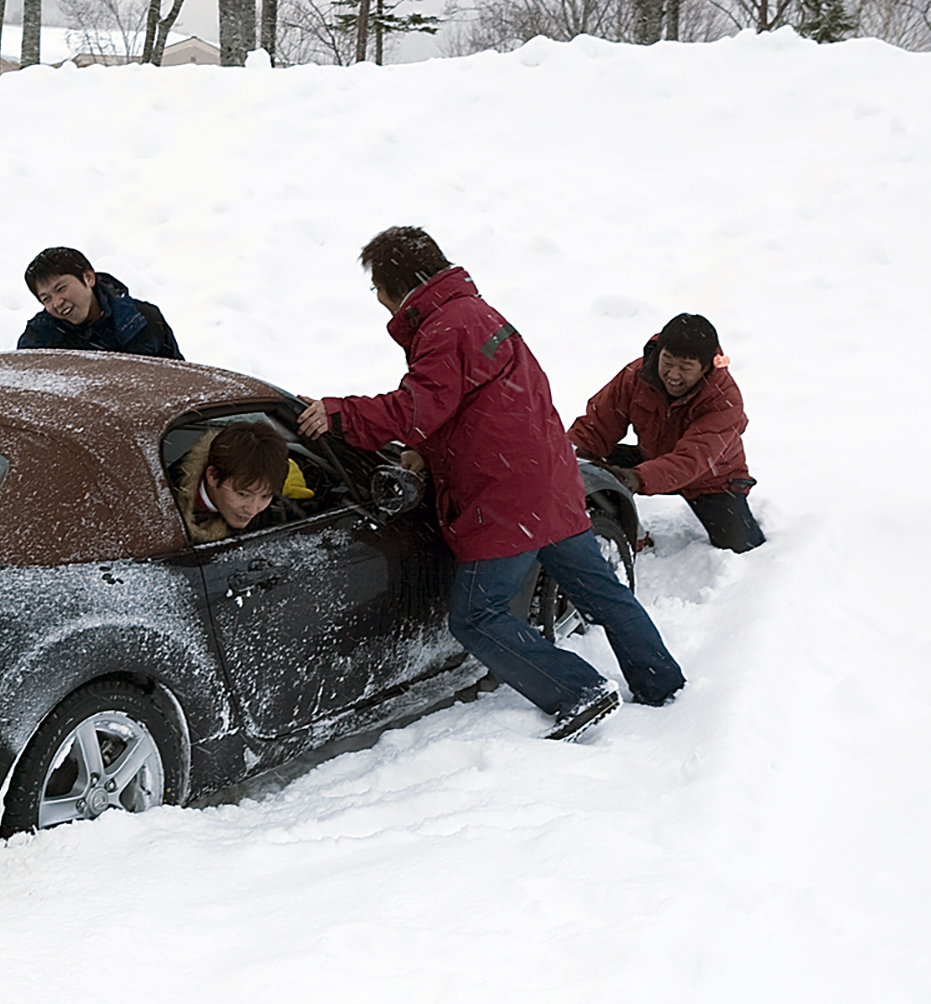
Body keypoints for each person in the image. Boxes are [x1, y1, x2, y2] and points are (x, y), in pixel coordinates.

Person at [298, 226, 685, 740]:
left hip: (504, 496)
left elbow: (416, 409)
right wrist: (429, 453)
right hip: (548, 479)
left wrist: (338, 415)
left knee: (476, 616)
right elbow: (477, 409)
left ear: (399, 286)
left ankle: (578, 691)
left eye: (378, 290)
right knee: (600, 592)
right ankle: (662, 684)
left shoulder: (443, 328)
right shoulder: (476, 314)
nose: (380, 303)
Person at [568, 313, 765, 554]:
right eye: (668, 362)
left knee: (742, 548)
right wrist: (566, 457)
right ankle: (626, 533)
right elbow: (595, 427)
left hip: (712, 479)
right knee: (587, 467)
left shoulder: (725, 399)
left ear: (705, 368)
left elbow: (692, 459)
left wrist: (637, 478)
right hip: (651, 460)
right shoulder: (636, 376)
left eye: (685, 368)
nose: (673, 374)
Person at [18, 247, 183, 359]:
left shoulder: (143, 320)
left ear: (88, 278)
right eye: (46, 298)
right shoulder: (39, 339)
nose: (57, 303)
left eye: (61, 288)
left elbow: (181, 382)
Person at [174, 422, 290, 543]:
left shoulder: (273, 510)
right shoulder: (165, 505)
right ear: (213, 476)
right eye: (243, 494)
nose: (252, 510)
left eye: (265, 496)